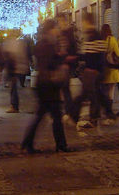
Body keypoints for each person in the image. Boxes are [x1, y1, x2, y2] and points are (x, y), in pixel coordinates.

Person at [21, 19, 69, 153]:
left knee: (45, 115)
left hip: (44, 84)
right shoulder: (46, 45)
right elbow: (49, 63)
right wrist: (61, 58)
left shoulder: (44, 44)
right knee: (53, 116)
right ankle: (60, 145)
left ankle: (28, 143)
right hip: (48, 84)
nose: (58, 30)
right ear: (50, 29)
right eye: (56, 28)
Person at [68, 13, 108, 128]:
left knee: (89, 96)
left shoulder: (94, 36)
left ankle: (76, 116)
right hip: (91, 71)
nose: (82, 25)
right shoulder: (91, 35)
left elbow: (97, 56)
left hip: (92, 72)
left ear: (87, 22)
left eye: (83, 22)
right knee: (93, 95)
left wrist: (78, 58)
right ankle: (95, 117)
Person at [55, 13, 78, 117]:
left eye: (59, 21)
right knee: (64, 88)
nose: (58, 24)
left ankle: (69, 110)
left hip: (66, 64)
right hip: (63, 63)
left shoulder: (68, 33)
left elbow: (72, 48)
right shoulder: (62, 33)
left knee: (64, 87)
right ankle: (68, 109)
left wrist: (66, 57)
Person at [3, 36, 30, 113]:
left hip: (15, 70)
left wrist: (10, 71)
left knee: (14, 88)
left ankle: (14, 106)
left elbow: (11, 59)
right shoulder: (21, 44)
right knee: (15, 88)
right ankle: (15, 105)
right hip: (19, 69)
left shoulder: (12, 45)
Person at [100, 23, 119, 125]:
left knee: (104, 90)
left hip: (103, 69)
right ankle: (109, 110)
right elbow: (118, 53)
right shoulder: (112, 39)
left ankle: (105, 110)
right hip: (112, 69)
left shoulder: (100, 40)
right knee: (111, 90)